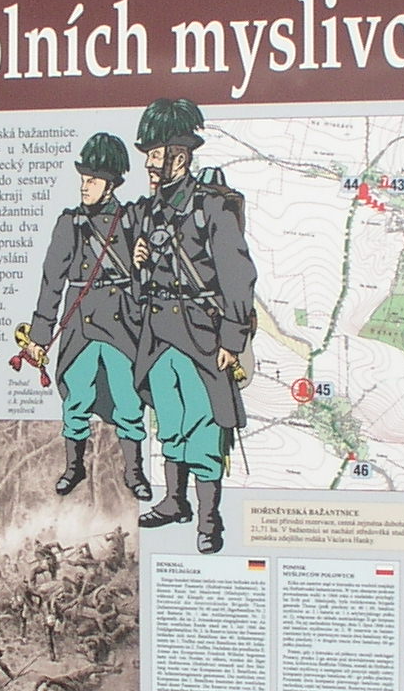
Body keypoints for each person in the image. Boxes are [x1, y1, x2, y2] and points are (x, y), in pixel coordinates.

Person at [125, 99, 256, 554]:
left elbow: (238, 276)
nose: (149, 164)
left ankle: (208, 521)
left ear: (179, 158)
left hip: (202, 337)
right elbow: (140, 284)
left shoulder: (211, 208)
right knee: (170, 423)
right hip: (159, 336)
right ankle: (174, 502)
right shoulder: (148, 211)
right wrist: (139, 264)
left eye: (155, 154)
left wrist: (232, 339)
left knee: (203, 428)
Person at [22, 132, 154, 500]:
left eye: (93, 180)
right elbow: (52, 281)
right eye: (84, 179)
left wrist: (141, 265)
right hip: (80, 325)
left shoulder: (131, 220)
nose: (85, 186)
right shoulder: (69, 223)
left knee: (128, 402)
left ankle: (134, 472)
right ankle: (74, 467)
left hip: (121, 325)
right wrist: (39, 336)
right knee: (76, 400)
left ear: (111, 184)